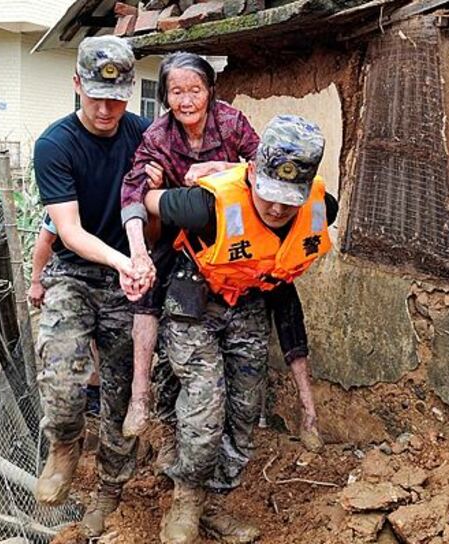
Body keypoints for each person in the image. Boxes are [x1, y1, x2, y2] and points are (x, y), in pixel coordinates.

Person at [142, 115, 338, 544]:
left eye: (290, 200)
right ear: (253, 173)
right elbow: (151, 201)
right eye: (269, 194)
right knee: (206, 404)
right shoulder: (208, 206)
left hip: (247, 303)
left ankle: (214, 501)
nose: (277, 208)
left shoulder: (322, 208)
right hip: (193, 299)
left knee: (245, 412)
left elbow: (285, 291)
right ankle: (187, 499)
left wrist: (307, 403)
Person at [31, 35, 155, 538]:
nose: (106, 109)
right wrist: (123, 259)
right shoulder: (55, 144)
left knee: (121, 394)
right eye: (96, 96)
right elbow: (69, 231)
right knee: (61, 373)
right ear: (78, 84)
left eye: (118, 97)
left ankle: (108, 488)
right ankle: (63, 446)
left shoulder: (144, 135)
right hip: (75, 273)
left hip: (126, 278)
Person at [120, 52, 260, 438]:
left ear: (210, 91)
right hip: (179, 229)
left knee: (276, 293)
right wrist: (137, 251)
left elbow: (263, 165)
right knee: (145, 295)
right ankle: (140, 394)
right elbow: (131, 192)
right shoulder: (158, 135)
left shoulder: (230, 121)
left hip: (232, 229)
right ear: (165, 96)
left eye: (194, 90)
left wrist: (216, 169)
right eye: (176, 92)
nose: (186, 101)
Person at [28, 215, 101, 415]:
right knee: (68, 343)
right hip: (71, 274)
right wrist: (36, 281)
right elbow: (46, 238)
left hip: (111, 275)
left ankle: (96, 391)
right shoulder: (64, 200)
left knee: (100, 340)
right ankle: (82, 395)